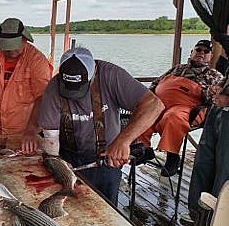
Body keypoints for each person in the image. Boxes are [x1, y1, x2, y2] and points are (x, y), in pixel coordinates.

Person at [38, 47, 164, 204]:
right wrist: (57, 162)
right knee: (68, 209)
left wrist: (123, 141)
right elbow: (50, 137)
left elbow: (154, 105)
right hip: (68, 157)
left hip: (107, 158)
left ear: (93, 75)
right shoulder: (54, 87)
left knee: (106, 209)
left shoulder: (112, 76)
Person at [138, 40, 224, 177]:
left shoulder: (214, 76)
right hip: (160, 105)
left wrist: (210, 91)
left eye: (206, 51)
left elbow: (214, 100)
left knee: (173, 117)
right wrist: (148, 98)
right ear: (192, 52)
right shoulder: (177, 68)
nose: (201, 53)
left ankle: (172, 157)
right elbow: (156, 83)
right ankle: (144, 149)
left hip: (187, 109)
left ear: (210, 56)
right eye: (198, 50)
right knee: (143, 113)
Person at [0, 18, 52, 152]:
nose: (11, 52)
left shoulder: (37, 60)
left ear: (24, 39)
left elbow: (42, 98)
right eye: (7, 49)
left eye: (15, 47)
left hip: (26, 136)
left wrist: (31, 130)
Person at [186, 59, 229, 222]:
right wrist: (219, 87)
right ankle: (197, 212)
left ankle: (216, 220)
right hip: (218, 114)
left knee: (226, 170)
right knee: (203, 163)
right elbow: (228, 76)